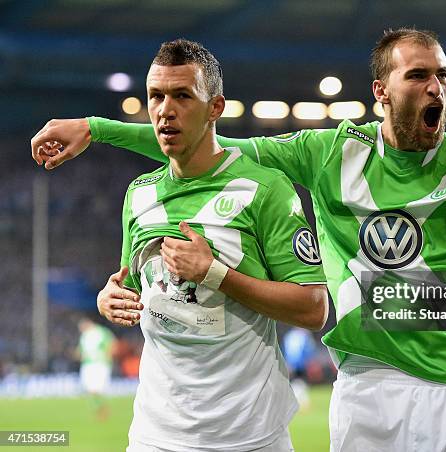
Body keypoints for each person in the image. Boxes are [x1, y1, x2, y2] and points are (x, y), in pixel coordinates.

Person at [31, 28, 446, 452]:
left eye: (443, 76)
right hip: (361, 386)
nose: (437, 86)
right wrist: (97, 129)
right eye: (419, 75)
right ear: (382, 91)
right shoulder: (329, 152)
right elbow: (207, 147)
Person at [41, 39, 328, 452]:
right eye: (156, 96)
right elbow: (137, 287)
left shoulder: (265, 191)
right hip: (156, 434)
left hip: (250, 435)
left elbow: (314, 308)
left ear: (215, 108)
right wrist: (112, 298)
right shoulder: (138, 195)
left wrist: (216, 275)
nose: (164, 110)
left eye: (182, 96)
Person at [76, 316, 116, 421]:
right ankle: (100, 410)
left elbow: (112, 344)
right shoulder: (84, 335)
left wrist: (108, 356)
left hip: (100, 364)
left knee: (97, 390)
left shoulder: (102, 332)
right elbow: (81, 350)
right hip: (87, 364)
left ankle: (102, 410)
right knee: (90, 390)